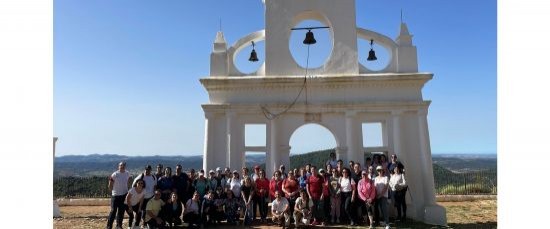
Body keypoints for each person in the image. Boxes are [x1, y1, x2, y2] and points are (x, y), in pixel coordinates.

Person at [106, 161, 132, 229]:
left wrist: (128, 188)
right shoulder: (115, 174)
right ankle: (109, 227)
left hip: (124, 195)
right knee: (113, 211)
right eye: (120, 165)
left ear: (125, 166)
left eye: (123, 165)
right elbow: (110, 184)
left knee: (121, 212)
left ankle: (119, 226)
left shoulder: (127, 173)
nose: (122, 167)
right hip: (115, 196)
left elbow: (129, 179)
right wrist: (113, 192)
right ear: (118, 166)